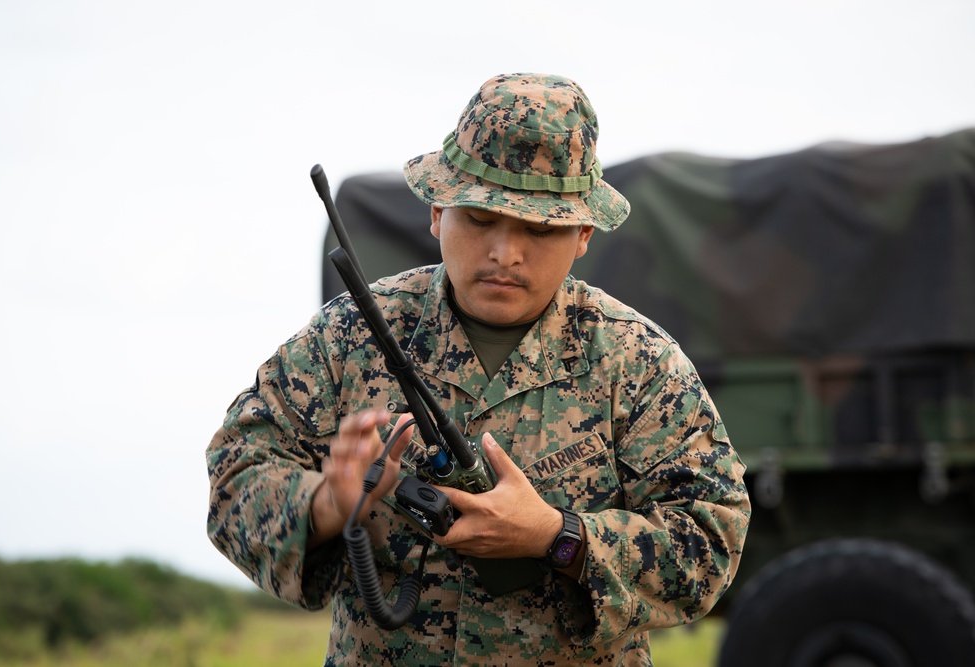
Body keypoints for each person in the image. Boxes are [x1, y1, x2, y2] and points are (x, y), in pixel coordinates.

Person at [206, 72, 750, 666]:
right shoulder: (349, 336)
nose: (504, 253)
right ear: (438, 212)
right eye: (481, 219)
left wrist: (558, 536)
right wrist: (326, 505)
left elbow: (709, 538)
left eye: (540, 229)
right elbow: (238, 469)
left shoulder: (637, 361)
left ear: (583, 235)